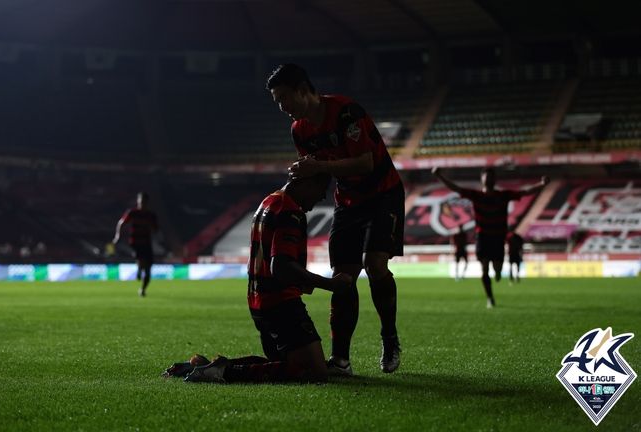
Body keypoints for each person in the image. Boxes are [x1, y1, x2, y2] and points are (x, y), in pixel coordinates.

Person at [266, 64, 405, 374]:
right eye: (277, 101)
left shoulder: (346, 112)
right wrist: (298, 186)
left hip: (384, 193)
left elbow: (366, 163)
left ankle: (389, 337)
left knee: (375, 264)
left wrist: (316, 168)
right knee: (343, 277)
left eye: (284, 98)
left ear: (303, 89)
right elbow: (317, 175)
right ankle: (341, 359)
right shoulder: (299, 130)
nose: (282, 107)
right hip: (348, 201)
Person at [165, 174, 352, 383]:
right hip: (281, 304)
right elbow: (281, 266)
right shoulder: (290, 211)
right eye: (322, 189)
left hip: (259, 301)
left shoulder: (269, 201)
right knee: (314, 372)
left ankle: (207, 367)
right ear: (307, 182)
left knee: (282, 363)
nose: (322, 197)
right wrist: (330, 284)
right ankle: (223, 372)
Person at [432, 167, 548, 308]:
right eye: (486, 176)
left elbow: (525, 192)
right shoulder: (476, 195)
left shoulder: (503, 195)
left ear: (494, 180)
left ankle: (498, 272)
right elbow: (456, 188)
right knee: (484, 268)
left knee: (497, 267)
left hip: (498, 237)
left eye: (491, 176)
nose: (488, 179)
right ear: (482, 179)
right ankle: (490, 298)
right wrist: (440, 176)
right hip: (483, 237)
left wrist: (541, 185)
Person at [113, 192, 158, 297]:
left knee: (148, 269)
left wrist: (150, 226)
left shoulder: (151, 215)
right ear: (138, 202)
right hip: (136, 242)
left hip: (147, 242)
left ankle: (142, 289)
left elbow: (156, 229)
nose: (142, 204)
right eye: (141, 202)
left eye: (144, 202)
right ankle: (139, 267)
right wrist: (117, 236)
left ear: (147, 203)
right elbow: (121, 223)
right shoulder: (132, 213)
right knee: (142, 260)